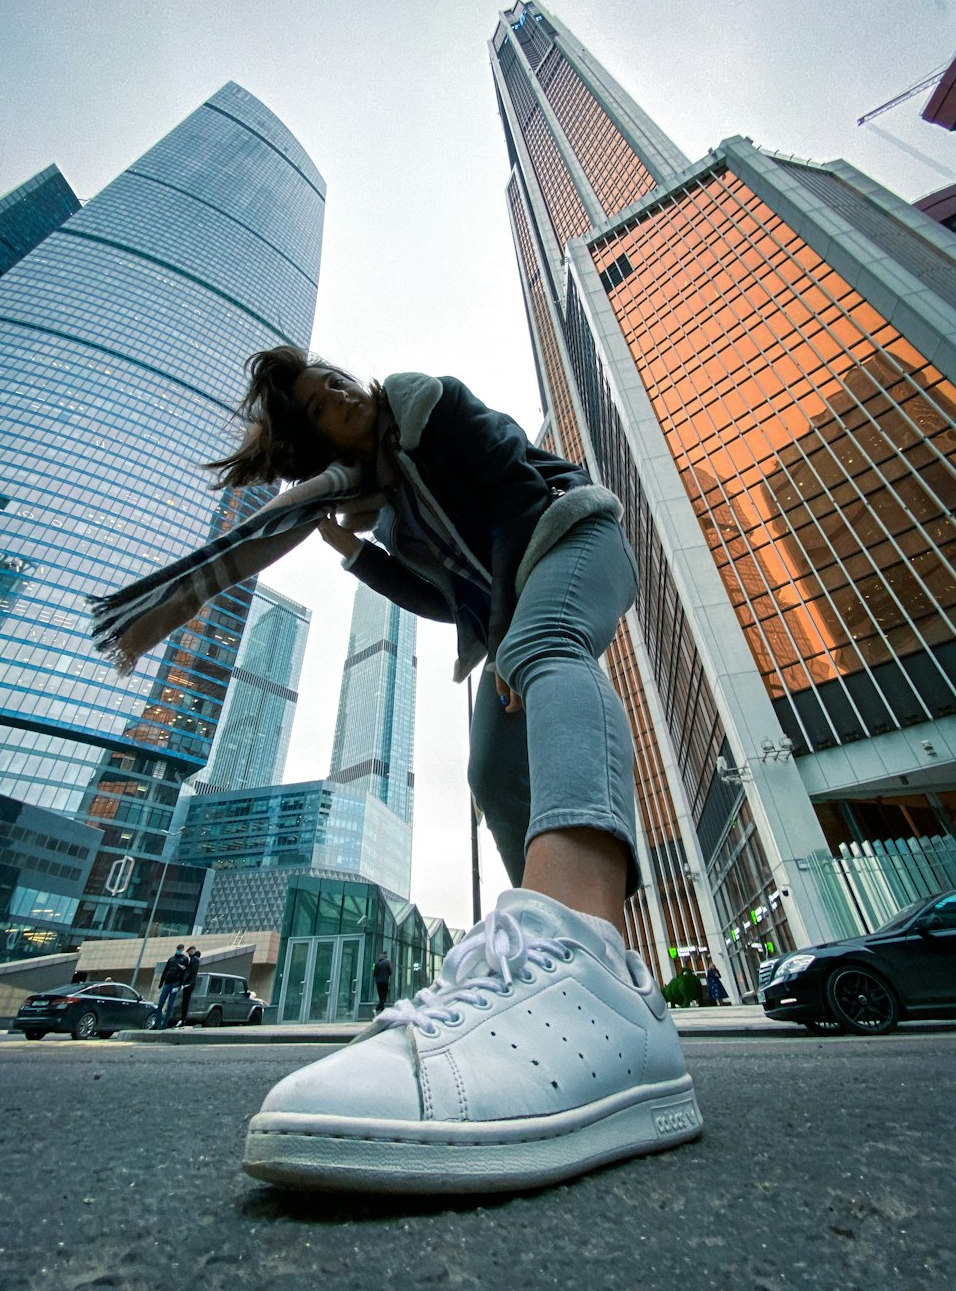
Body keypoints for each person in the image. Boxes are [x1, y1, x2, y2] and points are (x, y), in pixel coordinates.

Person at [90, 347, 702, 1192]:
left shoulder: (426, 402)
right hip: (506, 597)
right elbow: (447, 594)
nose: (339, 390)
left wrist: (513, 636)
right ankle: (564, 976)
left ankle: (582, 943)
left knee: (543, 648)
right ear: (315, 441)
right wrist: (359, 555)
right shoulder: (386, 504)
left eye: (333, 378)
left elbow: (516, 497)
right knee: (490, 770)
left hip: (573, 533)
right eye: (318, 402)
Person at [154, 944, 188, 1029]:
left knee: (170, 1004)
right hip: (167, 982)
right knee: (161, 1002)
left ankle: (164, 1024)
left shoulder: (184, 959)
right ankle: (158, 1022)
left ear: (183, 950)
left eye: (180, 949)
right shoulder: (171, 959)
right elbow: (165, 970)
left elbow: (184, 972)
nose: (178, 950)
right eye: (178, 949)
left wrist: (181, 984)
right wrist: (161, 982)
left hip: (175, 983)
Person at [178, 946, 201, 1026]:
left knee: (185, 1002)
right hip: (190, 983)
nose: (189, 953)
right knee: (185, 1001)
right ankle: (182, 1019)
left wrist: (185, 982)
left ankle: (182, 1019)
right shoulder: (195, 959)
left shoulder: (194, 959)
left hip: (189, 983)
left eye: (190, 951)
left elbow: (191, 971)